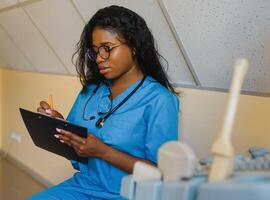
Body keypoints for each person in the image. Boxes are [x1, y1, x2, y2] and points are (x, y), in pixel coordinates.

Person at [29, 5, 179, 200]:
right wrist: (58, 125)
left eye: (107, 49)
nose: (99, 58)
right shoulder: (90, 92)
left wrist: (104, 152)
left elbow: (161, 174)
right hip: (84, 187)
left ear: (133, 46)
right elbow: (77, 149)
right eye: (95, 51)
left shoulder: (160, 100)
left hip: (129, 194)